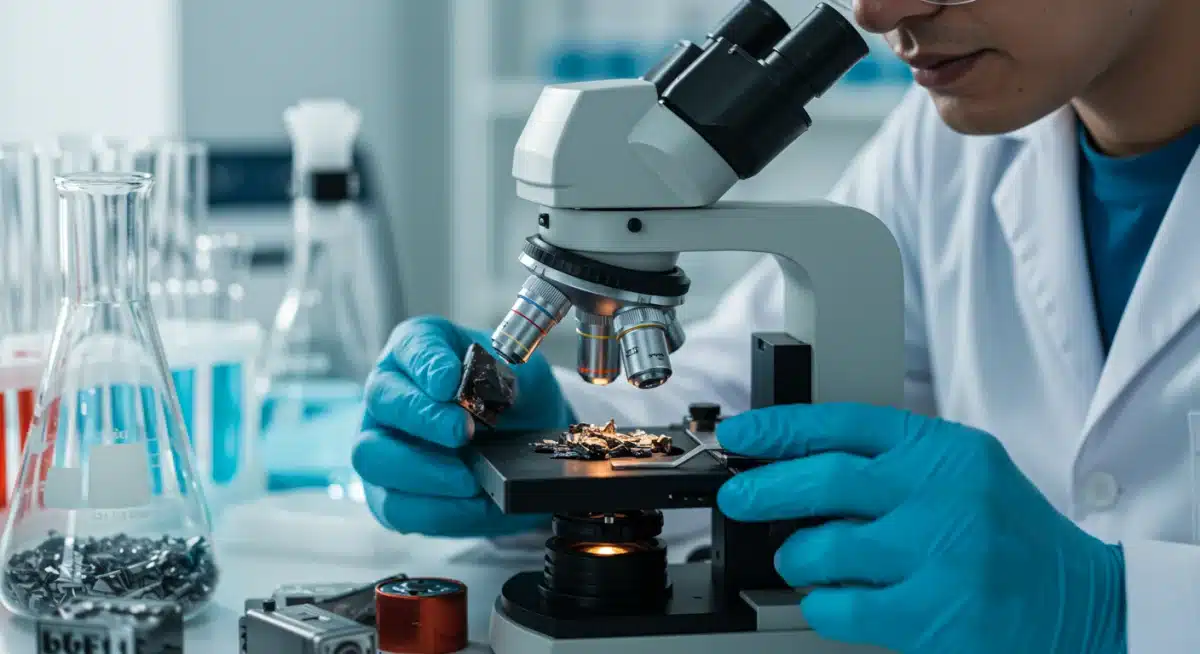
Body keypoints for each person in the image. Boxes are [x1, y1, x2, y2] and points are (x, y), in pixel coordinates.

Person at [353, 0, 1200, 650]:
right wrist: (554, 436)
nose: (875, 14)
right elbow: (737, 418)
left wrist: (1120, 606)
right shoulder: (947, 148)